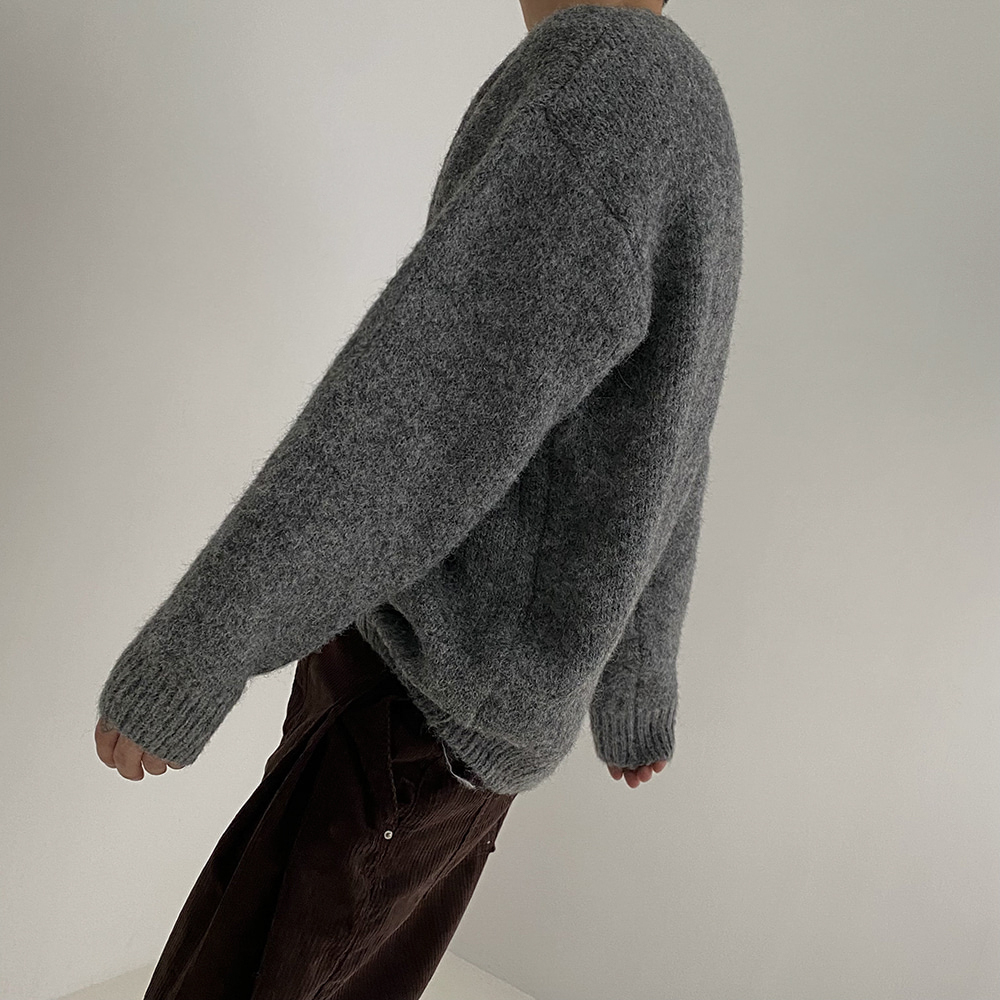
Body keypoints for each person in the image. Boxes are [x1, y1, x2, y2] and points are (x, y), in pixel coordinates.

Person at [95, 0, 742, 995]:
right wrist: (636, 685)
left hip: (406, 714)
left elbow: (423, 414)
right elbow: (670, 439)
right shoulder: (691, 103)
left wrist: (198, 651)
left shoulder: (604, 81)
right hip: (479, 740)